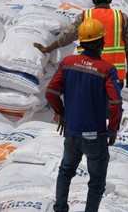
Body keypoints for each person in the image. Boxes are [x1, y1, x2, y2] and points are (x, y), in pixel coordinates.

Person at [45, 17, 122, 212]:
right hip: (95, 136)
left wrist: (63, 114)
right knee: (96, 183)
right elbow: (115, 102)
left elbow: (51, 93)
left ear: (81, 42)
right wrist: (112, 128)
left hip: (72, 133)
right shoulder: (107, 69)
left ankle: (60, 208)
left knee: (65, 171)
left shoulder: (68, 62)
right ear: (101, 43)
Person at [34, 0, 128, 90]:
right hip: (115, 76)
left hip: (90, 73)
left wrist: (48, 49)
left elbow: (68, 36)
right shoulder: (121, 17)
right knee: (112, 105)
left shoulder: (85, 16)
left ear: (93, 0)